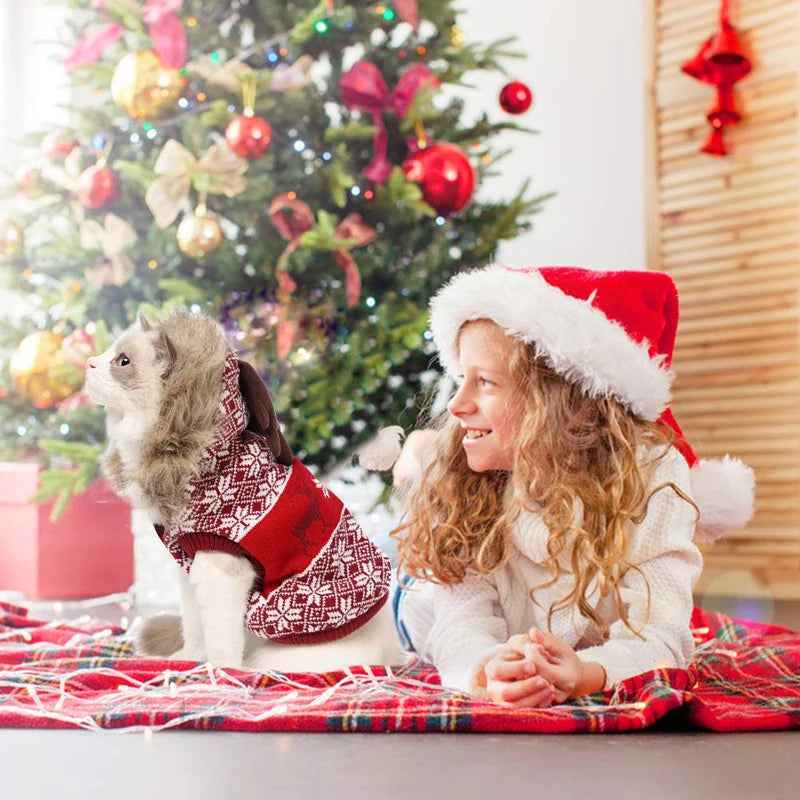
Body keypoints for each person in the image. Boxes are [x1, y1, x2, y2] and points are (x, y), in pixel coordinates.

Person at [391, 265, 755, 707]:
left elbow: (663, 637)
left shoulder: (652, 476)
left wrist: (587, 674)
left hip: (548, 623)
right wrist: (486, 669)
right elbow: (458, 623)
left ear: (559, 401)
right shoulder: (465, 482)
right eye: (460, 378)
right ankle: (416, 457)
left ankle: (417, 455)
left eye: (484, 381)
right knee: (407, 578)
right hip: (418, 599)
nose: (455, 403)